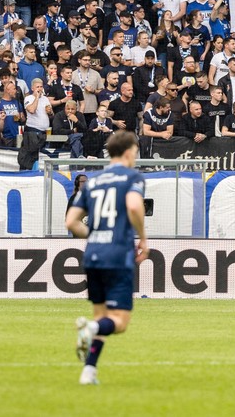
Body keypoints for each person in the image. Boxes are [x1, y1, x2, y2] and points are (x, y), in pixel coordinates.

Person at [65, 130, 147, 387]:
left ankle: (89, 371)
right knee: (119, 322)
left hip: (93, 255)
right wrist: (143, 237)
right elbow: (134, 206)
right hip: (118, 253)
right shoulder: (132, 177)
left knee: (102, 317)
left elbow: (71, 222)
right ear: (128, 152)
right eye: (135, 152)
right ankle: (90, 330)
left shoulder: (92, 181)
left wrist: (96, 235)